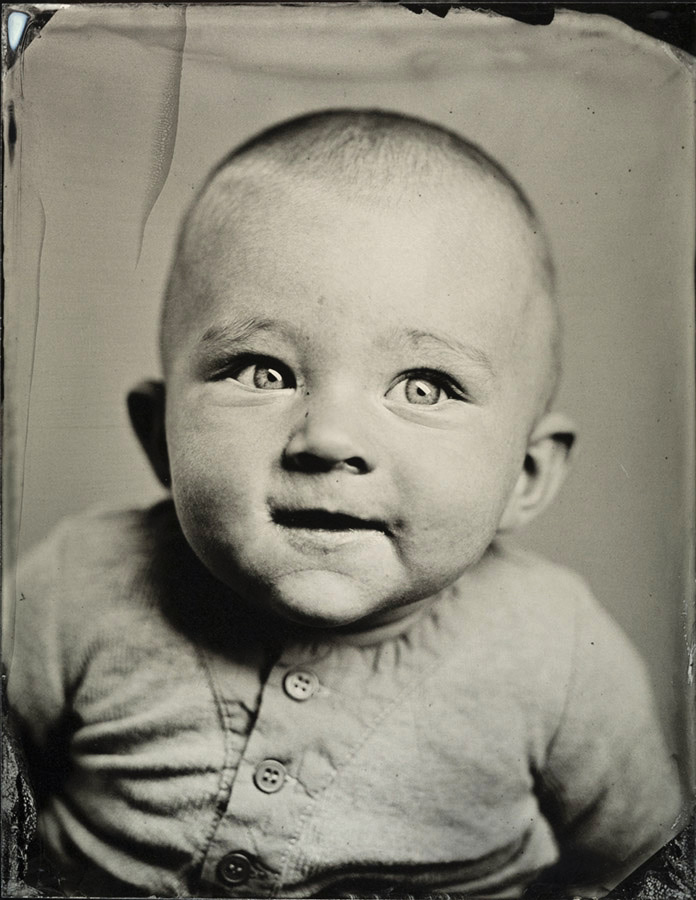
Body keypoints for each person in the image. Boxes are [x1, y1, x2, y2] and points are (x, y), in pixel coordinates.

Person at [6, 109, 683, 899]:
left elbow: (648, 867)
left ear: (525, 475)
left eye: (424, 386)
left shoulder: (555, 651)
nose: (328, 438)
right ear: (161, 438)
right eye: (262, 371)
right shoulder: (77, 587)